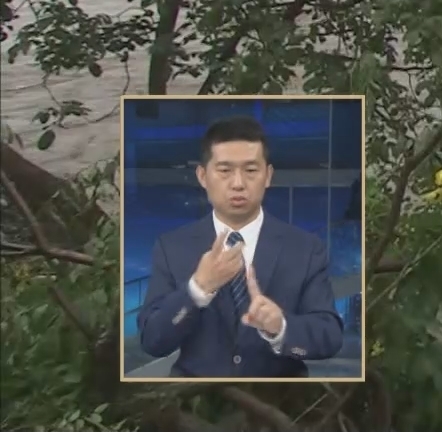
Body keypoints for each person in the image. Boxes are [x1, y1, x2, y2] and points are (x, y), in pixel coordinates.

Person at [136, 115, 345, 378]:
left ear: (268, 176)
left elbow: (330, 337)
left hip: (281, 402)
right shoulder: (171, 247)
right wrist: (197, 289)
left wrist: (280, 328)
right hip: (196, 403)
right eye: (224, 171)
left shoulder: (305, 248)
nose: (238, 183)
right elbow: (152, 341)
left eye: (250, 170)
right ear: (202, 176)